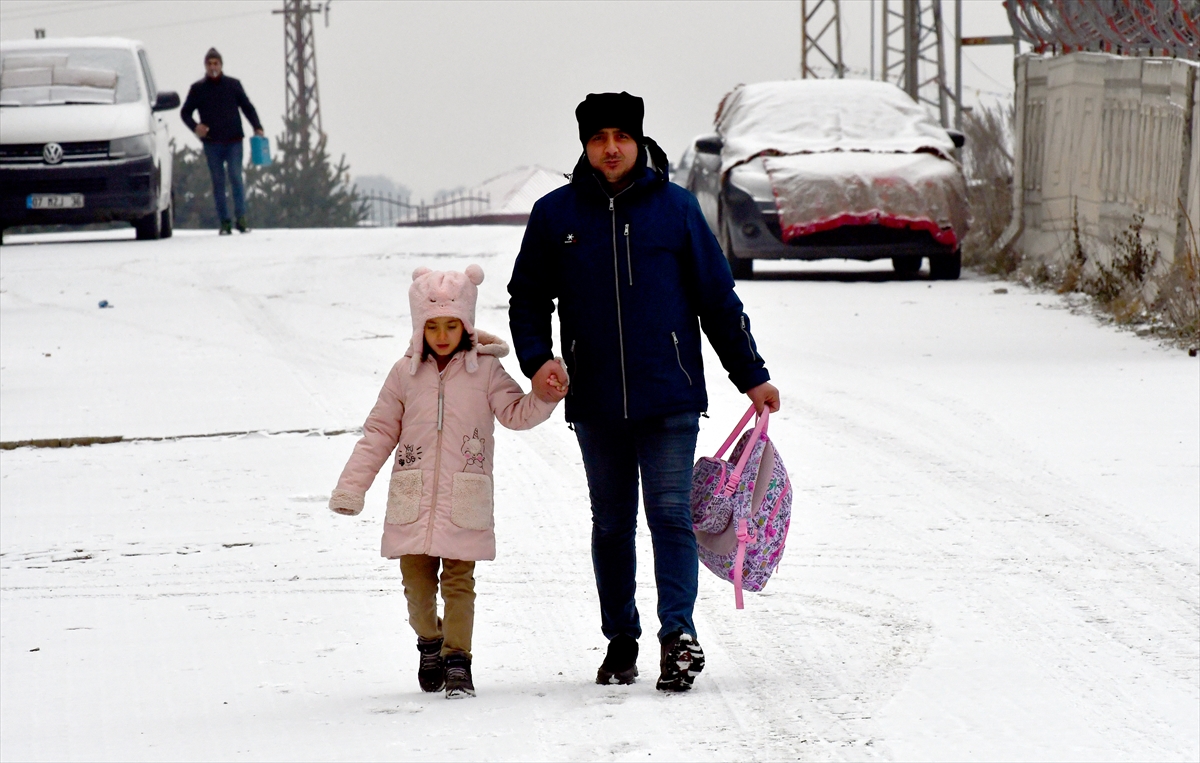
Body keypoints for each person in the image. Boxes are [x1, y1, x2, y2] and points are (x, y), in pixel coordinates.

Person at [508, 91, 780, 692]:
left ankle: (677, 636)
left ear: (637, 141)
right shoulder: (556, 216)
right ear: (584, 145)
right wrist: (538, 359)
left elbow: (717, 300)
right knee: (611, 524)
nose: (611, 148)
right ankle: (621, 640)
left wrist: (751, 374)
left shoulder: (677, 210)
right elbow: (527, 297)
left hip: (670, 396)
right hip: (596, 401)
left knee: (669, 517)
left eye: (621, 137)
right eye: (599, 138)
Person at [329, 265, 565, 699]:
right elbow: (379, 432)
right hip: (412, 498)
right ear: (420, 326)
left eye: (451, 325)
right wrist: (352, 487)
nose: (441, 334)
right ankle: (430, 642)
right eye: (432, 325)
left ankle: (459, 659)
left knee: (459, 584)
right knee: (417, 588)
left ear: (466, 325)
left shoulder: (487, 373)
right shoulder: (404, 373)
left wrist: (544, 397)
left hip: (464, 496)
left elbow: (515, 414)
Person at [180, 48, 263, 235]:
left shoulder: (233, 85)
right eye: (209, 64)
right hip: (212, 143)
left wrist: (257, 127)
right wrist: (195, 127)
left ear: (221, 65)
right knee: (218, 182)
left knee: (235, 177)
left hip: (234, 140)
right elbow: (185, 112)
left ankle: (241, 219)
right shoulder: (198, 89)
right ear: (205, 66)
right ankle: (225, 222)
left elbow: (247, 107)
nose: (213, 67)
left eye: (216, 63)